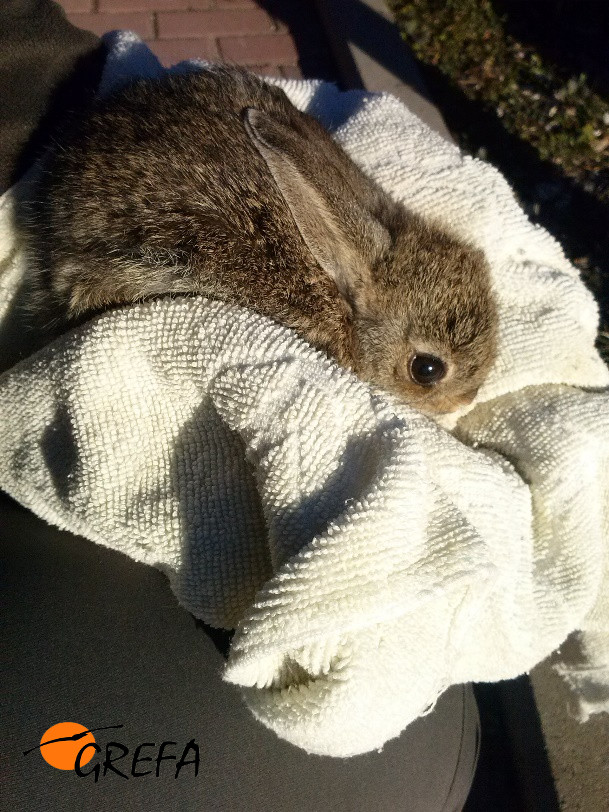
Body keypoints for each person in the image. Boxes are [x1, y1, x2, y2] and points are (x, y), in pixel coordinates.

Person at [0, 2, 479, 809]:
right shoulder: (317, 319)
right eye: (424, 372)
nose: (439, 408)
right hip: (105, 241)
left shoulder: (374, 257)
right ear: (356, 279)